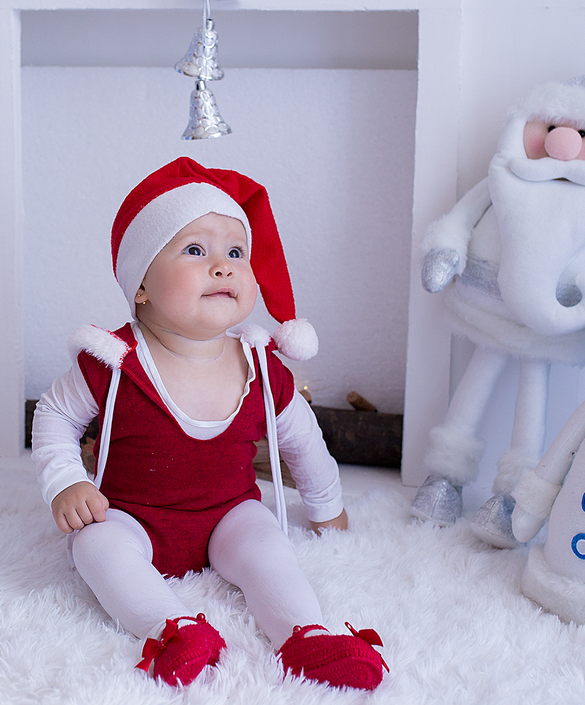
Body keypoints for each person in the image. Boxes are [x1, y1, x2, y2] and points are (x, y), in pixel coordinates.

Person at [31, 157, 388, 690]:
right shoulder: (114, 361)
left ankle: (308, 637)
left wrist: (326, 508)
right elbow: (55, 415)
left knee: (268, 548)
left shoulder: (261, 367)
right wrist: (67, 481)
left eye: (236, 252)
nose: (223, 266)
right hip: (130, 514)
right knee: (94, 545)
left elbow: (302, 441)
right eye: (195, 250)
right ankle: (172, 629)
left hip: (228, 515)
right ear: (141, 286)